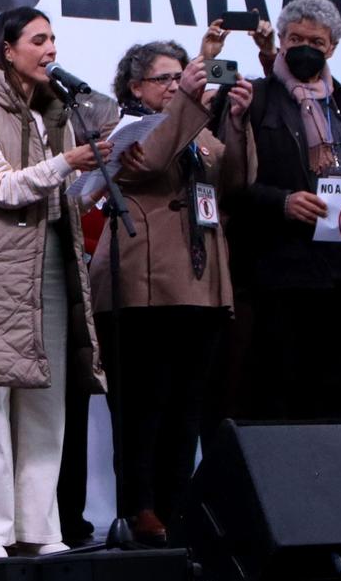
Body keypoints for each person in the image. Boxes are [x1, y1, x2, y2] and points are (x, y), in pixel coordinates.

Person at [0, 8, 108, 558]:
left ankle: (38, 528)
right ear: (7, 50)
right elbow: (3, 188)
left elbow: (52, 194)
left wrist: (88, 173)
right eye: (39, 39)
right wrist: (67, 164)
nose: (51, 47)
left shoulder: (48, 116)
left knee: (46, 405)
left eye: (54, 37)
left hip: (49, 269)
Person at [92, 37, 253, 546]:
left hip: (200, 285)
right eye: (164, 78)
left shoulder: (198, 131)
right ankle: (139, 505)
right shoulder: (123, 129)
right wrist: (187, 102)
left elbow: (237, 182)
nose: (176, 84)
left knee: (188, 405)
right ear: (135, 85)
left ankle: (176, 504)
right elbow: (149, 164)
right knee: (146, 404)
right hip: (144, 287)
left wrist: (237, 121)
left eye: (180, 76)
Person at [237, 0, 341, 419]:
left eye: (315, 41)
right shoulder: (257, 98)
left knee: (333, 395)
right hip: (278, 273)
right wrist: (282, 202)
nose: (304, 47)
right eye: (295, 38)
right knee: (277, 393)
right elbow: (231, 184)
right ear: (280, 41)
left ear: (332, 47)